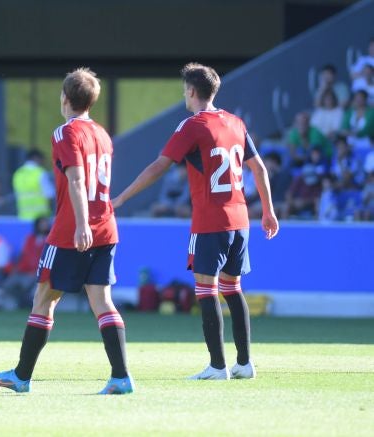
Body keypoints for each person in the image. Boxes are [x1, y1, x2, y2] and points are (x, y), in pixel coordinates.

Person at [112, 63, 280, 380]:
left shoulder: (192, 126)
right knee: (233, 289)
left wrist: (121, 198)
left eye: (184, 90)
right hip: (240, 219)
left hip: (210, 220)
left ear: (191, 91)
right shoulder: (235, 122)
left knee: (205, 290)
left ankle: (217, 366)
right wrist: (269, 211)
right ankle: (244, 363)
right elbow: (259, 168)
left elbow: (159, 166)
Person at [0, 68, 133, 394]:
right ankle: (121, 377)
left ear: (65, 97)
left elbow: (77, 180)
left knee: (43, 299)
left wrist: (80, 225)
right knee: (102, 302)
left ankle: (21, 376)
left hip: (71, 230)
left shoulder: (65, 133)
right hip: (106, 227)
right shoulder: (103, 134)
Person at [2, 216, 50, 310]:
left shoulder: (50, 240)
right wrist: (16, 269)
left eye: (45, 223)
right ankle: (23, 300)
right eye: (42, 223)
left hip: (37, 272)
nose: (45, 225)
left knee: (28, 284)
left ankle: (27, 303)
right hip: (22, 271)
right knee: (7, 285)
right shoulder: (29, 239)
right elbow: (23, 255)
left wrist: (37, 271)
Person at [12, 149, 54, 220]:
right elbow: (50, 195)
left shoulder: (17, 174)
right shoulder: (40, 173)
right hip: (41, 219)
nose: (43, 162)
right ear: (36, 158)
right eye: (42, 159)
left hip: (23, 217)